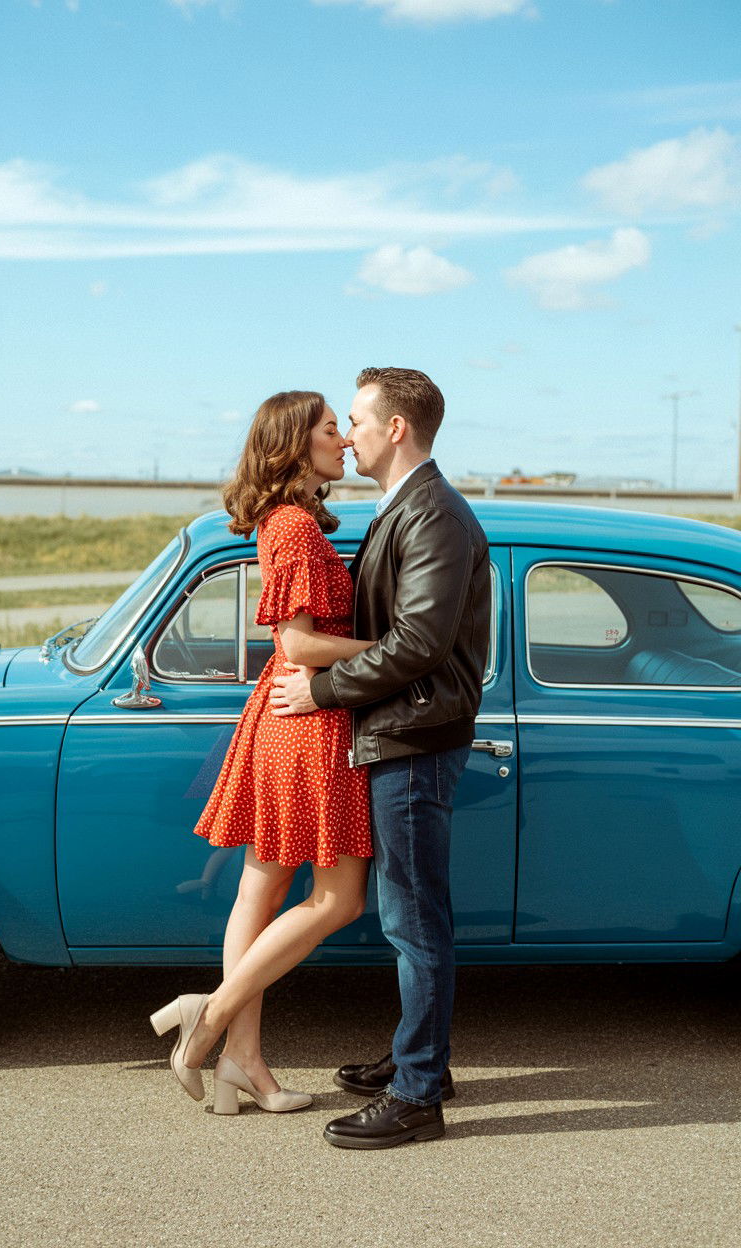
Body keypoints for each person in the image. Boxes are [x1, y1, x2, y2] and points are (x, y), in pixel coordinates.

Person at [271, 366, 491, 1150]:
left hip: (414, 737)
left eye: (357, 420)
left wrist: (322, 690)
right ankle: (420, 1058)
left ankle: (419, 1093)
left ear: (395, 428)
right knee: (415, 913)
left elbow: (419, 644)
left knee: (413, 919)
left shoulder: (433, 514)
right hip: (402, 731)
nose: (348, 435)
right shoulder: (407, 506)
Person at [149, 390, 375, 1115]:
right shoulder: (295, 528)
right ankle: (211, 1017)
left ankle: (242, 1061)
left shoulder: (286, 521)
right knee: (339, 898)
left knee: (262, 889)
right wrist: (393, 648)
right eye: (332, 429)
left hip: (287, 716)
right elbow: (298, 644)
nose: (344, 441)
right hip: (308, 720)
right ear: (295, 443)